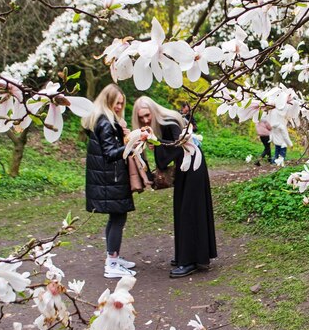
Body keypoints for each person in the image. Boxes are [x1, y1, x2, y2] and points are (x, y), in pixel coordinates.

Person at [133, 96, 217, 278]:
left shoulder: (168, 121)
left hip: (191, 165)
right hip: (186, 166)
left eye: (147, 115)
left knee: (189, 210)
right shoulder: (165, 121)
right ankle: (189, 256)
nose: (146, 120)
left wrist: (154, 143)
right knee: (183, 209)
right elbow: (170, 149)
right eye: (141, 118)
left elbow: (168, 155)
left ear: (153, 110)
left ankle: (189, 261)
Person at [82, 84, 137, 279]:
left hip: (107, 179)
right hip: (110, 179)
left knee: (115, 218)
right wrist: (131, 144)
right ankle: (112, 262)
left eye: (122, 103)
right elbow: (110, 154)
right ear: (108, 102)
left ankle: (113, 257)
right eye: (116, 103)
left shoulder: (104, 120)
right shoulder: (105, 123)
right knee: (118, 218)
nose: (120, 107)